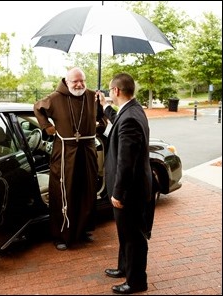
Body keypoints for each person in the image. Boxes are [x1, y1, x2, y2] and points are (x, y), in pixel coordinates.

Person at [33, 67, 108, 251]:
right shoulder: (55, 98)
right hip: (65, 150)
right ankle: (61, 235)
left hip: (87, 149)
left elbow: (102, 117)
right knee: (63, 191)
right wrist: (48, 128)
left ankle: (83, 230)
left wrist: (97, 128)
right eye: (75, 81)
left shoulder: (92, 96)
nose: (79, 84)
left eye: (82, 80)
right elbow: (37, 108)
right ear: (67, 82)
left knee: (87, 189)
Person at [97, 73, 153, 294]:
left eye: (110, 91)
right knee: (125, 233)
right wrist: (104, 108)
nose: (110, 94)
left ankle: (137, 281)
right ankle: (124, 268)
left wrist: (118, 193)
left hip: (130, 191)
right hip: (134, 187)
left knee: (133, 237)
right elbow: (118, 118)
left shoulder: (129, 118)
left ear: (116, 91)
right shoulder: (133, 110)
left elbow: (126, 163)